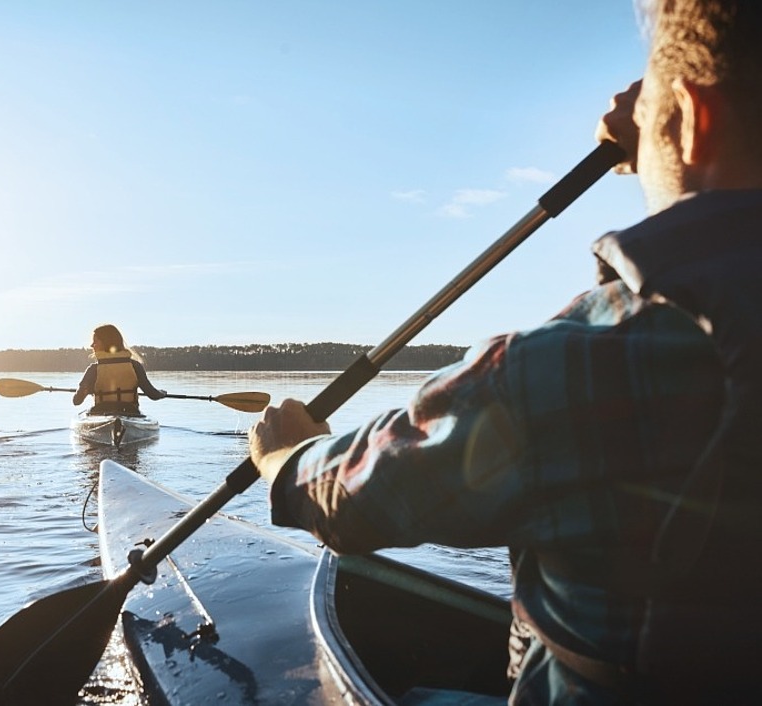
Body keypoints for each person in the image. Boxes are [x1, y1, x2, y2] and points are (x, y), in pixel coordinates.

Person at [248, 1, 762, 703]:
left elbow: (355, 502)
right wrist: (669, 121)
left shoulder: (579, 364)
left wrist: (286, 458)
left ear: (695, 117)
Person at [73, 324, 166, 416]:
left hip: (100, 413)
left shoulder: (93, 370)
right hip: (130, 412)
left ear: (106, 342)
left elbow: (77, 401)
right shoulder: (135, 366)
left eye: (95, 341)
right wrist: (162, 393)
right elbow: (153, 395)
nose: (92, 345)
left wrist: (88, 390)